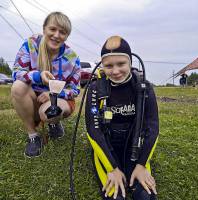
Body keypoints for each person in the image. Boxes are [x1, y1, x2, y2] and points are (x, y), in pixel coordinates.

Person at [85, 36, 159, 200]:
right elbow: (94, 131)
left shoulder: (143, 87)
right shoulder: (96, 88)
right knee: (115, 196)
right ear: (102, 66)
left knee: (146, 196)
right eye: (109, 65)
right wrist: (112, 169)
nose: (116, 71)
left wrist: (141, 165)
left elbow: (152, 128)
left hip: (134, 147)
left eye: (121, 64)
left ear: (130, 63)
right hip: (107, 147)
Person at [11, 12, 81, 158]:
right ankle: (33, 136)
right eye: (53, 29)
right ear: (44, 29)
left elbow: (75, 90)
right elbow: (16, 72)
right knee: (18, 87)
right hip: (31, 96)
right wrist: (37, 76)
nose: (57, 35)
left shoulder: (72, 57)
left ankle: (54, 123)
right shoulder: (30, 44)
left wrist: (53, 94)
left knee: (48, 113)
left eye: (62, 32)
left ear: (67, 36)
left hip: (56, 100)